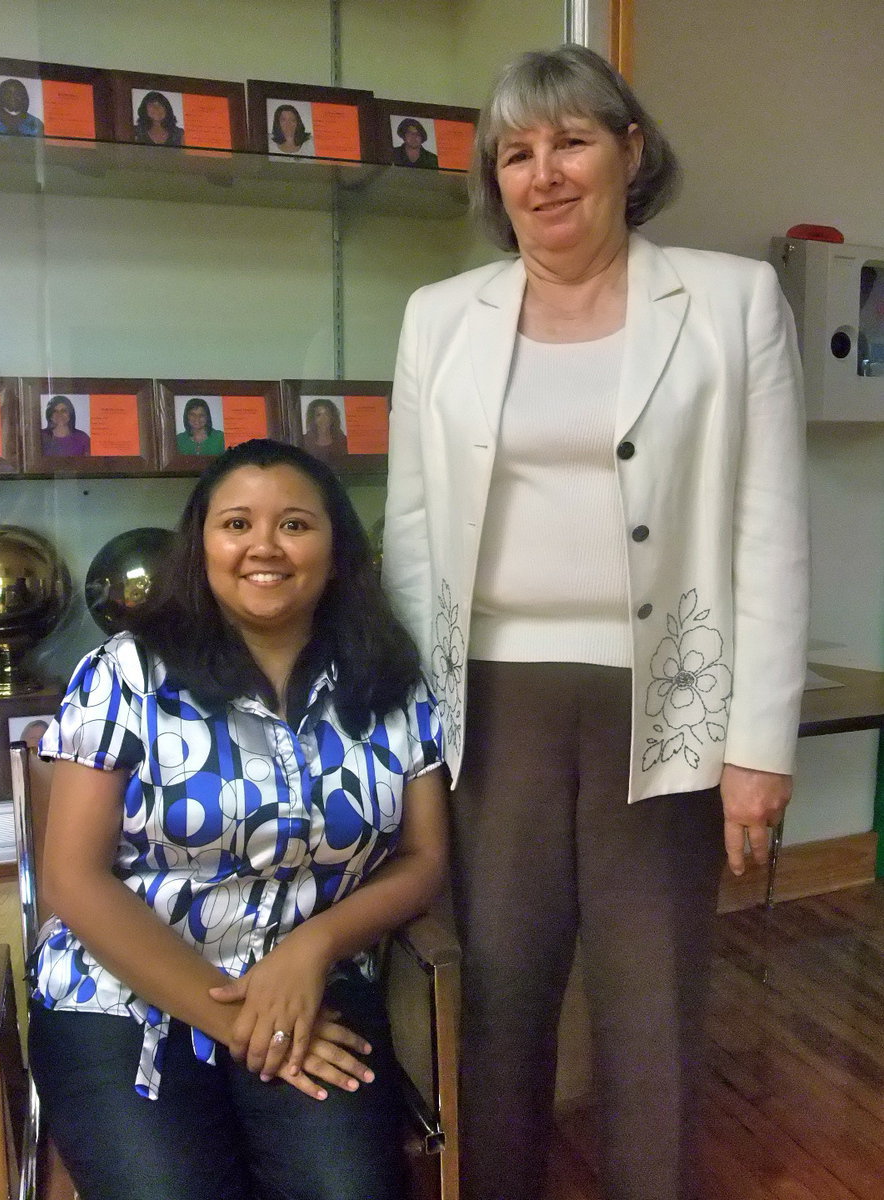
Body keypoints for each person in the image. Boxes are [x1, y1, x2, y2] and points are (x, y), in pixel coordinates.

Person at [382, 43, 809, 1200]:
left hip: (667, 700)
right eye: (516, 153)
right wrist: (409, 732)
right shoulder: (440, 319)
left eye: (571, 139)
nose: (545, 173)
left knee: (651, 1002)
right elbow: (415, 535)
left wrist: (758, 748)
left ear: (630, 149)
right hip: (493, 705)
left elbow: (767, 528)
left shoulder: (730, 301)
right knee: (504, 995)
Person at [28, 438, 447, 1200]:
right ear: (202, 545)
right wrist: (240, 1020)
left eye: (293, 524)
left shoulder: (388, 677)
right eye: (236, 524)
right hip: (122, 995)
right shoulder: (128, 674)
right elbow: (72, 880)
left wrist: (313, 946)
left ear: (334, 544)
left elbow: (423, 857)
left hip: (310, 989)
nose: (264, 546)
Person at [302, 397, 348, 463]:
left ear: (332, 418)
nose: (323, 418)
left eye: (327, 414)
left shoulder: (343, 441)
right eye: (318, 415)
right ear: (313, 419)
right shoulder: (304, 441)